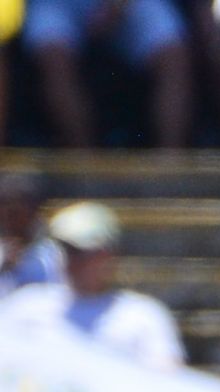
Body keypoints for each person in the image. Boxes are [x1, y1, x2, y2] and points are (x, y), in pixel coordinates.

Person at [0, 203, 184, 369]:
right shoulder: (24, 307)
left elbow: (166, 382)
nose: (73, 261)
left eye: (82, 253)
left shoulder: (143, 317)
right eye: (66, 250)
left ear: (109, 256)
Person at [22, 0, 192, 148]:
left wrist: (117, 6)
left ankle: (169, 168)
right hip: (56, 4)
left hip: (132, 4)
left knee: (173, 56)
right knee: (53, 60)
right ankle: (84, 168)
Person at [0, 173, 62, 298]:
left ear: (35, 209)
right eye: (5, 203)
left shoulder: (53, 255)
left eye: (21, 203)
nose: (11, 211)